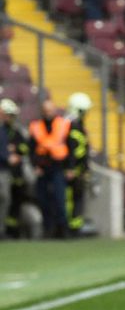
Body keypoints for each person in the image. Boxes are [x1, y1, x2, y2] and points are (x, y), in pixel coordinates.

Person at [29, 98, 70, 238]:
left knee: (59, 199)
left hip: (58, 167)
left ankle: (63, 229)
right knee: (43, 200)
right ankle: (48, 229)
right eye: (45, 110)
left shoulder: (63, 124)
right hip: (42, 168)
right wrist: (35, 166)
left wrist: (69, 168)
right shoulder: (36, 126)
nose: (48, 113)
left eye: (50, 110)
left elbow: (69, 146)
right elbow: (31, 149)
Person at [2, 99, 32, 239]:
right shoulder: (3, 131)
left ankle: (11, 230)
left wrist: (16, 151)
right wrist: (8, 153)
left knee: (13, 201)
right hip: (5, 169)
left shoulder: (16, 131)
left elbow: (24, 147)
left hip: (15, 173)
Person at [65, 93, 91, 236]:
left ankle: (75, 226)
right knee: (71, 199)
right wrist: (71, 168)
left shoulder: (76, 126)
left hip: (78, 169)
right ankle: (70, 227)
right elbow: (73, 150)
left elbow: (83, 150)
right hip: (73, 170)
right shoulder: (72, 127)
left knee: (77, 199)